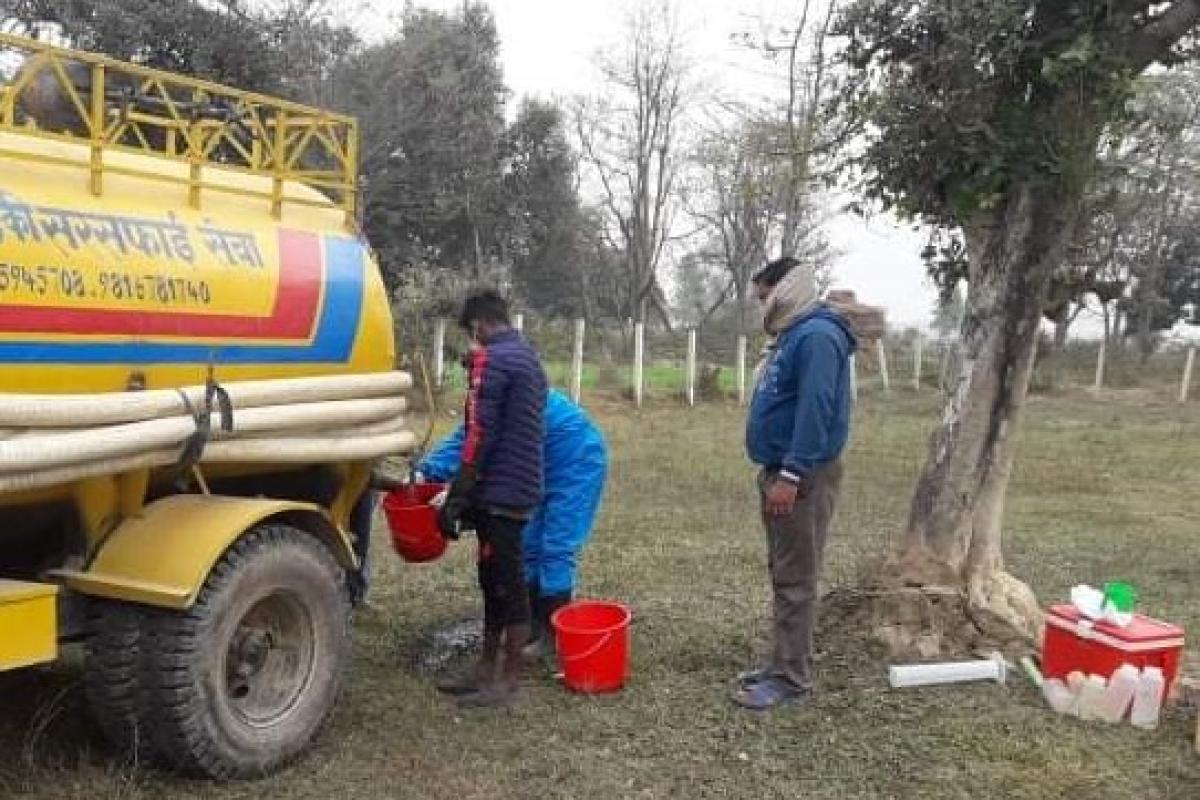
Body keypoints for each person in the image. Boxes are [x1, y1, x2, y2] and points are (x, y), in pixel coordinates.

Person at [734, 256, 861, 711]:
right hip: (784, 470)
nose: (761, 305)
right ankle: (781, 664)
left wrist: (791, 473)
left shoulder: (817, 336)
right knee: (784, 571)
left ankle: (791, 679)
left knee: (796, 578)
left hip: (801, 476)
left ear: (783, 289)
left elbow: (816, 408)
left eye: (763, 295)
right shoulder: (796, 333)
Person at [416, 387, 608, 656]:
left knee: (556, 545)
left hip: (576, 459)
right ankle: (530, 623)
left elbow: (499, 460)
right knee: (527, 543)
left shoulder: (515, 400)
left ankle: (551, 633)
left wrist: (459, 491)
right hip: (539, 463)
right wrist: (426, 471)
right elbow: (467, 438)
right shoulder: (487, 397)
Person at [435, 290, 548, 708]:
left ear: (478, 324)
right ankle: (485, 671)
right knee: (492, 577)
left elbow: (479, 434)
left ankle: (509, 683)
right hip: (518, 485)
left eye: (473, 332)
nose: (474, 339)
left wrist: (457, 496)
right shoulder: (527, 357)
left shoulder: (492, 359)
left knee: (507, 581)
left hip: (501, 490)